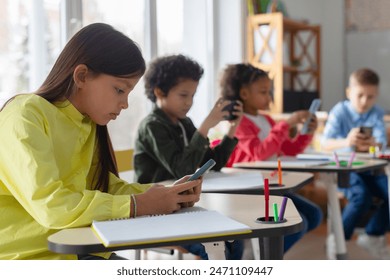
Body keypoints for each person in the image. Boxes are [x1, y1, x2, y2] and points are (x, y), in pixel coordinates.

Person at [0, 23, 202, 260]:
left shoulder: (87, 123)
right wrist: (138, 205)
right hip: (32, 259)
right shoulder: (24, 116)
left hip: (81, 250)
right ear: (82, 76)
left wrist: (167, 194)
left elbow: (104, 187)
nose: (125, 104)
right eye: (119, 90)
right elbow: (52, 206)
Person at [134, 54, 244, 259]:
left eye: (193, 96)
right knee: (219, 249)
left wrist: (232, 129)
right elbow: (182, 169)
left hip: (181, 206)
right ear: (159, 92)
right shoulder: (152, 126)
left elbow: (215, 163)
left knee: (234, 240)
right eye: (183, 95)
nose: (189, 103)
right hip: (156, 210)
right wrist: (204, 128)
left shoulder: (184, 123)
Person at [218, 63, 323, 253]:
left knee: (314, 215)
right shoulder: (239, 122)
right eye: (264, 92)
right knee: (299, 225)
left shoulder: (266, 120)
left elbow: (287, 150)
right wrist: (285, 124)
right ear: (244, 94)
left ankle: (264, 255)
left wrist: (306, 133)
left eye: (269, 91)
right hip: (251, 188)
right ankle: (260, 259)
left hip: (271, 184)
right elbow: (259, 153)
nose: (270, 97)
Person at [321, 68, 389, 259]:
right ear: (349, 92)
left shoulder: (376, 112)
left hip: (371, 169)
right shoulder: (339, 112)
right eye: (360, 95)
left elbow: (381, 142)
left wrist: (373, 144)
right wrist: (347, 141)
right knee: (361, 197)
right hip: (346, 169)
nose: (364, 101)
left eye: (371, 96)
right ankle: (338, 239)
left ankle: (373, 235)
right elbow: (325, 143)